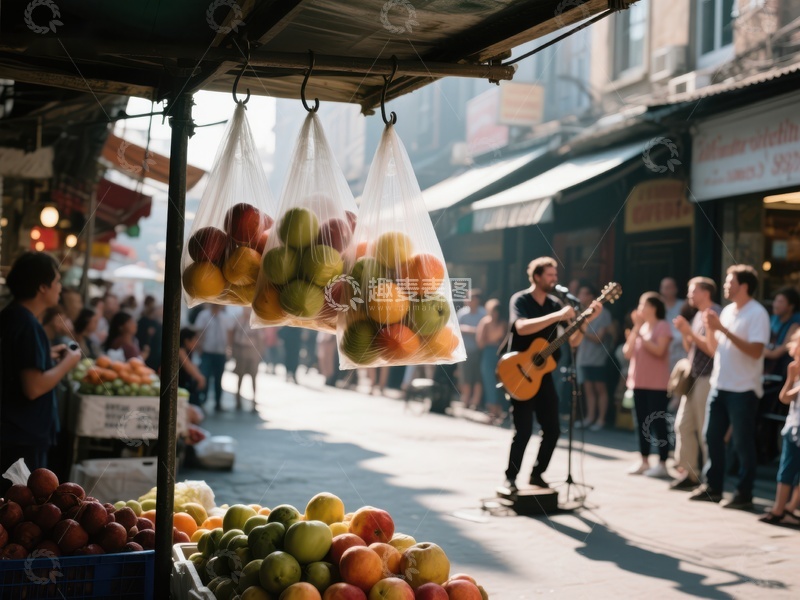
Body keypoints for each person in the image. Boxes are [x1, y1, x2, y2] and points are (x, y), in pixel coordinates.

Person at [501, 257, 603, 492]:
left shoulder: (556, 303)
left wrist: (587, 320)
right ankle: (511, 477)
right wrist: (557, 317)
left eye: (555, 276)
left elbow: (573, 340)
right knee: (523, 430)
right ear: (537, 277)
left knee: (554, 429)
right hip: (519, 372)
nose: (555, 280)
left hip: (543, 375)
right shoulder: (521, 299)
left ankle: (537, 474)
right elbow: (521, 327)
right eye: (550, 275)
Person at [689, 264, 770, 509]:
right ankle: (713, 486)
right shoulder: (726, 312)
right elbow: (715, 349)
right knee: (711, 436)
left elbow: (756, 352)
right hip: (720, 384)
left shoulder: (757, 313)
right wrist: (712, 330)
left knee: (743, 443)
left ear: (743, 286)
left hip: (743, 388)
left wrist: (721, 328)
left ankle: (744, 494)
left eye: (729, 281)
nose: (725, 285)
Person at [0, 252, 81, 494]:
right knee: (18, 511)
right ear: (42, 287)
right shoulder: (27, 324)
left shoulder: (11, 316)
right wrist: (70, 361)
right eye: (56, 281)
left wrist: (48, 355)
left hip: (12, 433)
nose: (60, 288)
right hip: (21, 438)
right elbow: (33, 387)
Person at [670, 277, 720, 490]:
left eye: (693, 291)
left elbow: (711, 349)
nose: (689, 295)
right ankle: (691, 473)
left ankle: (708, 480)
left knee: (703, 430)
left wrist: (688, 332)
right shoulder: (698, 314)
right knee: (682, 424)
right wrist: (685, 332)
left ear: (705, 292)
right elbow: (690, 346)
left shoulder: (714, 313)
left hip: (708, 377)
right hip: (694, 375)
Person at [623, 292, 673, 478]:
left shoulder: (663, 326)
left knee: (658, 423)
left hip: (657, 384)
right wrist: (636, 328)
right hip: (638, 382)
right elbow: (626, 353)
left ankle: (662, 462)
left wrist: (641, 337)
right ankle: (644, 460)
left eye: (643, 304)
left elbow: (659, 351)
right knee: (641, 422)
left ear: (653, 307)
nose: (640, 308)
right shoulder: (640, 328)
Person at [758, 329, 800, 526]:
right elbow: (784, 398)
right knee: (786, 468)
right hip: (793, 426)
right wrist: (792, 378)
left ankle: (789, 508)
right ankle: (780, 508)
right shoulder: (794, 368)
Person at [575, 283, 613, 431]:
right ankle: (590, 418)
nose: (580, 296)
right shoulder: (580, 312)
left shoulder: (603, 313)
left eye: (584, 293)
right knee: (588, 389)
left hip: (597, 358)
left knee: (600, 389)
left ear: (591, 296)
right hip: (583, 357)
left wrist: (581, 329)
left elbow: (599, 339)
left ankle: (601, 419)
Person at [195, 305, 234, 411]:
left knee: (219, 378)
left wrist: (229, 350)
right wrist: (199, 348)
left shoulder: (226, 317)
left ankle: (218, 402)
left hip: (220, 352)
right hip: (207, 351)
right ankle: (203, 399)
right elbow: (199, 332)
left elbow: (229, 334)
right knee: (205, 376)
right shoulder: (203, 316)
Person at [476, 299, 508, 424]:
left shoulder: (503, 323)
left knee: (500, 382)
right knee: (489, 382)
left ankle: (499, 410)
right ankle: (491, 411)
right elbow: (480, 342)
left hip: (500, 355)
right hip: (488, 354)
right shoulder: (485, 323)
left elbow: (505, 341)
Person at [457, 289, 486, 410]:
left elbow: (483, 331)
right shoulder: (462, 313)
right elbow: (456, 328)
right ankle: (466, 400)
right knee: (465, 376)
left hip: (479, 351)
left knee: (478, 377)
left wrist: (469, 330)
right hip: (464, 350)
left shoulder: (483, 313)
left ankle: (475, 401)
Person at [763, 287, 800, 378]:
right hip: (768, 368)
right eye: (775, 301)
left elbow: (780, 351)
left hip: (782, 370)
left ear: (791, 306)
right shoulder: (772, 319)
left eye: (780, 302)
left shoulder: (795, 324)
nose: (775, 305)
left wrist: (758, 351)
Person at [232, 307, 262, 411]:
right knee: (240, 376)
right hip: (241, 351)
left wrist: (259, 354)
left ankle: (254, 400)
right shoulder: (239, 320)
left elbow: (260, 339)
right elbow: (233, 334)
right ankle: (238, 399)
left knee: (253, 377)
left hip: (252, 352)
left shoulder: (255, 321)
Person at [661, 277, 687, 372]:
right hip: (663, 349)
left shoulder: (684, 305)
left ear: (675, 289)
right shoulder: (658, 307)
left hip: (681, 349)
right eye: (665, 287)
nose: (667, 290)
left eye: (669, 287)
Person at [178, 327, 206, 408]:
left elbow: (193, 366)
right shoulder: (180, 351)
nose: (196, 343)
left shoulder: (189, 352)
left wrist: (200, 376)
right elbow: (188, 366)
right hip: (181, 385)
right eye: (195, 340)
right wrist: (200, 378)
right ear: (187, 341)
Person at [136, 297, 163, 372]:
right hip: (147, 357)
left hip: (155, 357)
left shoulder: (157, 323)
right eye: (160, 309)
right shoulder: (145, 322)